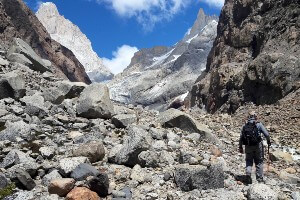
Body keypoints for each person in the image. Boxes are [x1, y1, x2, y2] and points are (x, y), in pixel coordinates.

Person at [239, 110, 271, 183]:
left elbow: (241, 137)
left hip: (248, 146)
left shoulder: (245, 125)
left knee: (249, 160)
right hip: (258, 146)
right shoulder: (259, 124)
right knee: (259, 161)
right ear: (255, 116)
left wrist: (240, 147)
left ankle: (248, 174)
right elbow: (267, 134)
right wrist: (268, 141)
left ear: (248, 117)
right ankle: (259, 179)